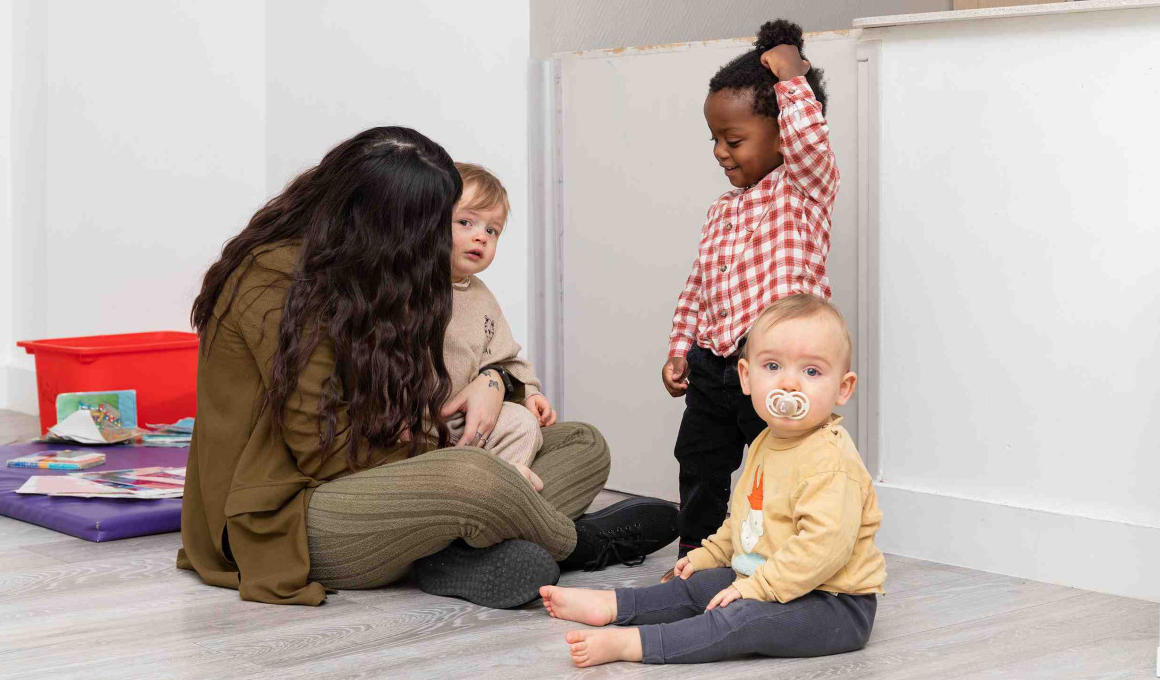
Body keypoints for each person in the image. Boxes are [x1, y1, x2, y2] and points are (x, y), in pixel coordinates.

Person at [178, 126, 678, 609]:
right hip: (292, 510)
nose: (442, 240)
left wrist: (494, 381)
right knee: (474, 478)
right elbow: (324, 452)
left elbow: (443, 378)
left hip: (397, 464)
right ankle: (576, 545)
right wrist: (467, 466)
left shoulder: (375, 266)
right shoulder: (273, 280)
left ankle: (451, 555)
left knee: (582, 443)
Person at [541, 294, 886, 667]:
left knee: (740, 619)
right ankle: (613, 605)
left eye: (812, 372)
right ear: (746, 377)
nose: (790, 384)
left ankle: (636, 643)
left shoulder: (830, 462)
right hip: (773, 579)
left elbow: (822, 548)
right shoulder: (767, 442)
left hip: (832, 602)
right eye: (773, 366)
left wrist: (757, 588)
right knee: (699, 586)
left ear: (843, 388)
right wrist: (712, 554)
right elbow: (746, 519)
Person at [661, 19, 840, 560]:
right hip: (715, 367)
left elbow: (810, 140)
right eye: (714, 138)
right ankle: (697, 554)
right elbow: (698, 287)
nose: (720, 151)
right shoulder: (723, 209)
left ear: (783, 132)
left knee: (783, 465)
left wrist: (791, 79)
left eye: (733, 139)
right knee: (698, 462)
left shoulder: (803, 189)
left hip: (776, 369)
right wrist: (678, 351)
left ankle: (778, 558)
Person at [441, 162, 555, 492]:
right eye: (466, 222)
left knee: (522, 424)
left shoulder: (481, 297)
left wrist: (529, 393)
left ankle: (500, 491)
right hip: (418, 429)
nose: (481, 236)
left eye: (492, 231)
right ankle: (504, 495)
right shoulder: (409, 290)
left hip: (468, 425)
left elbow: (504, 358)